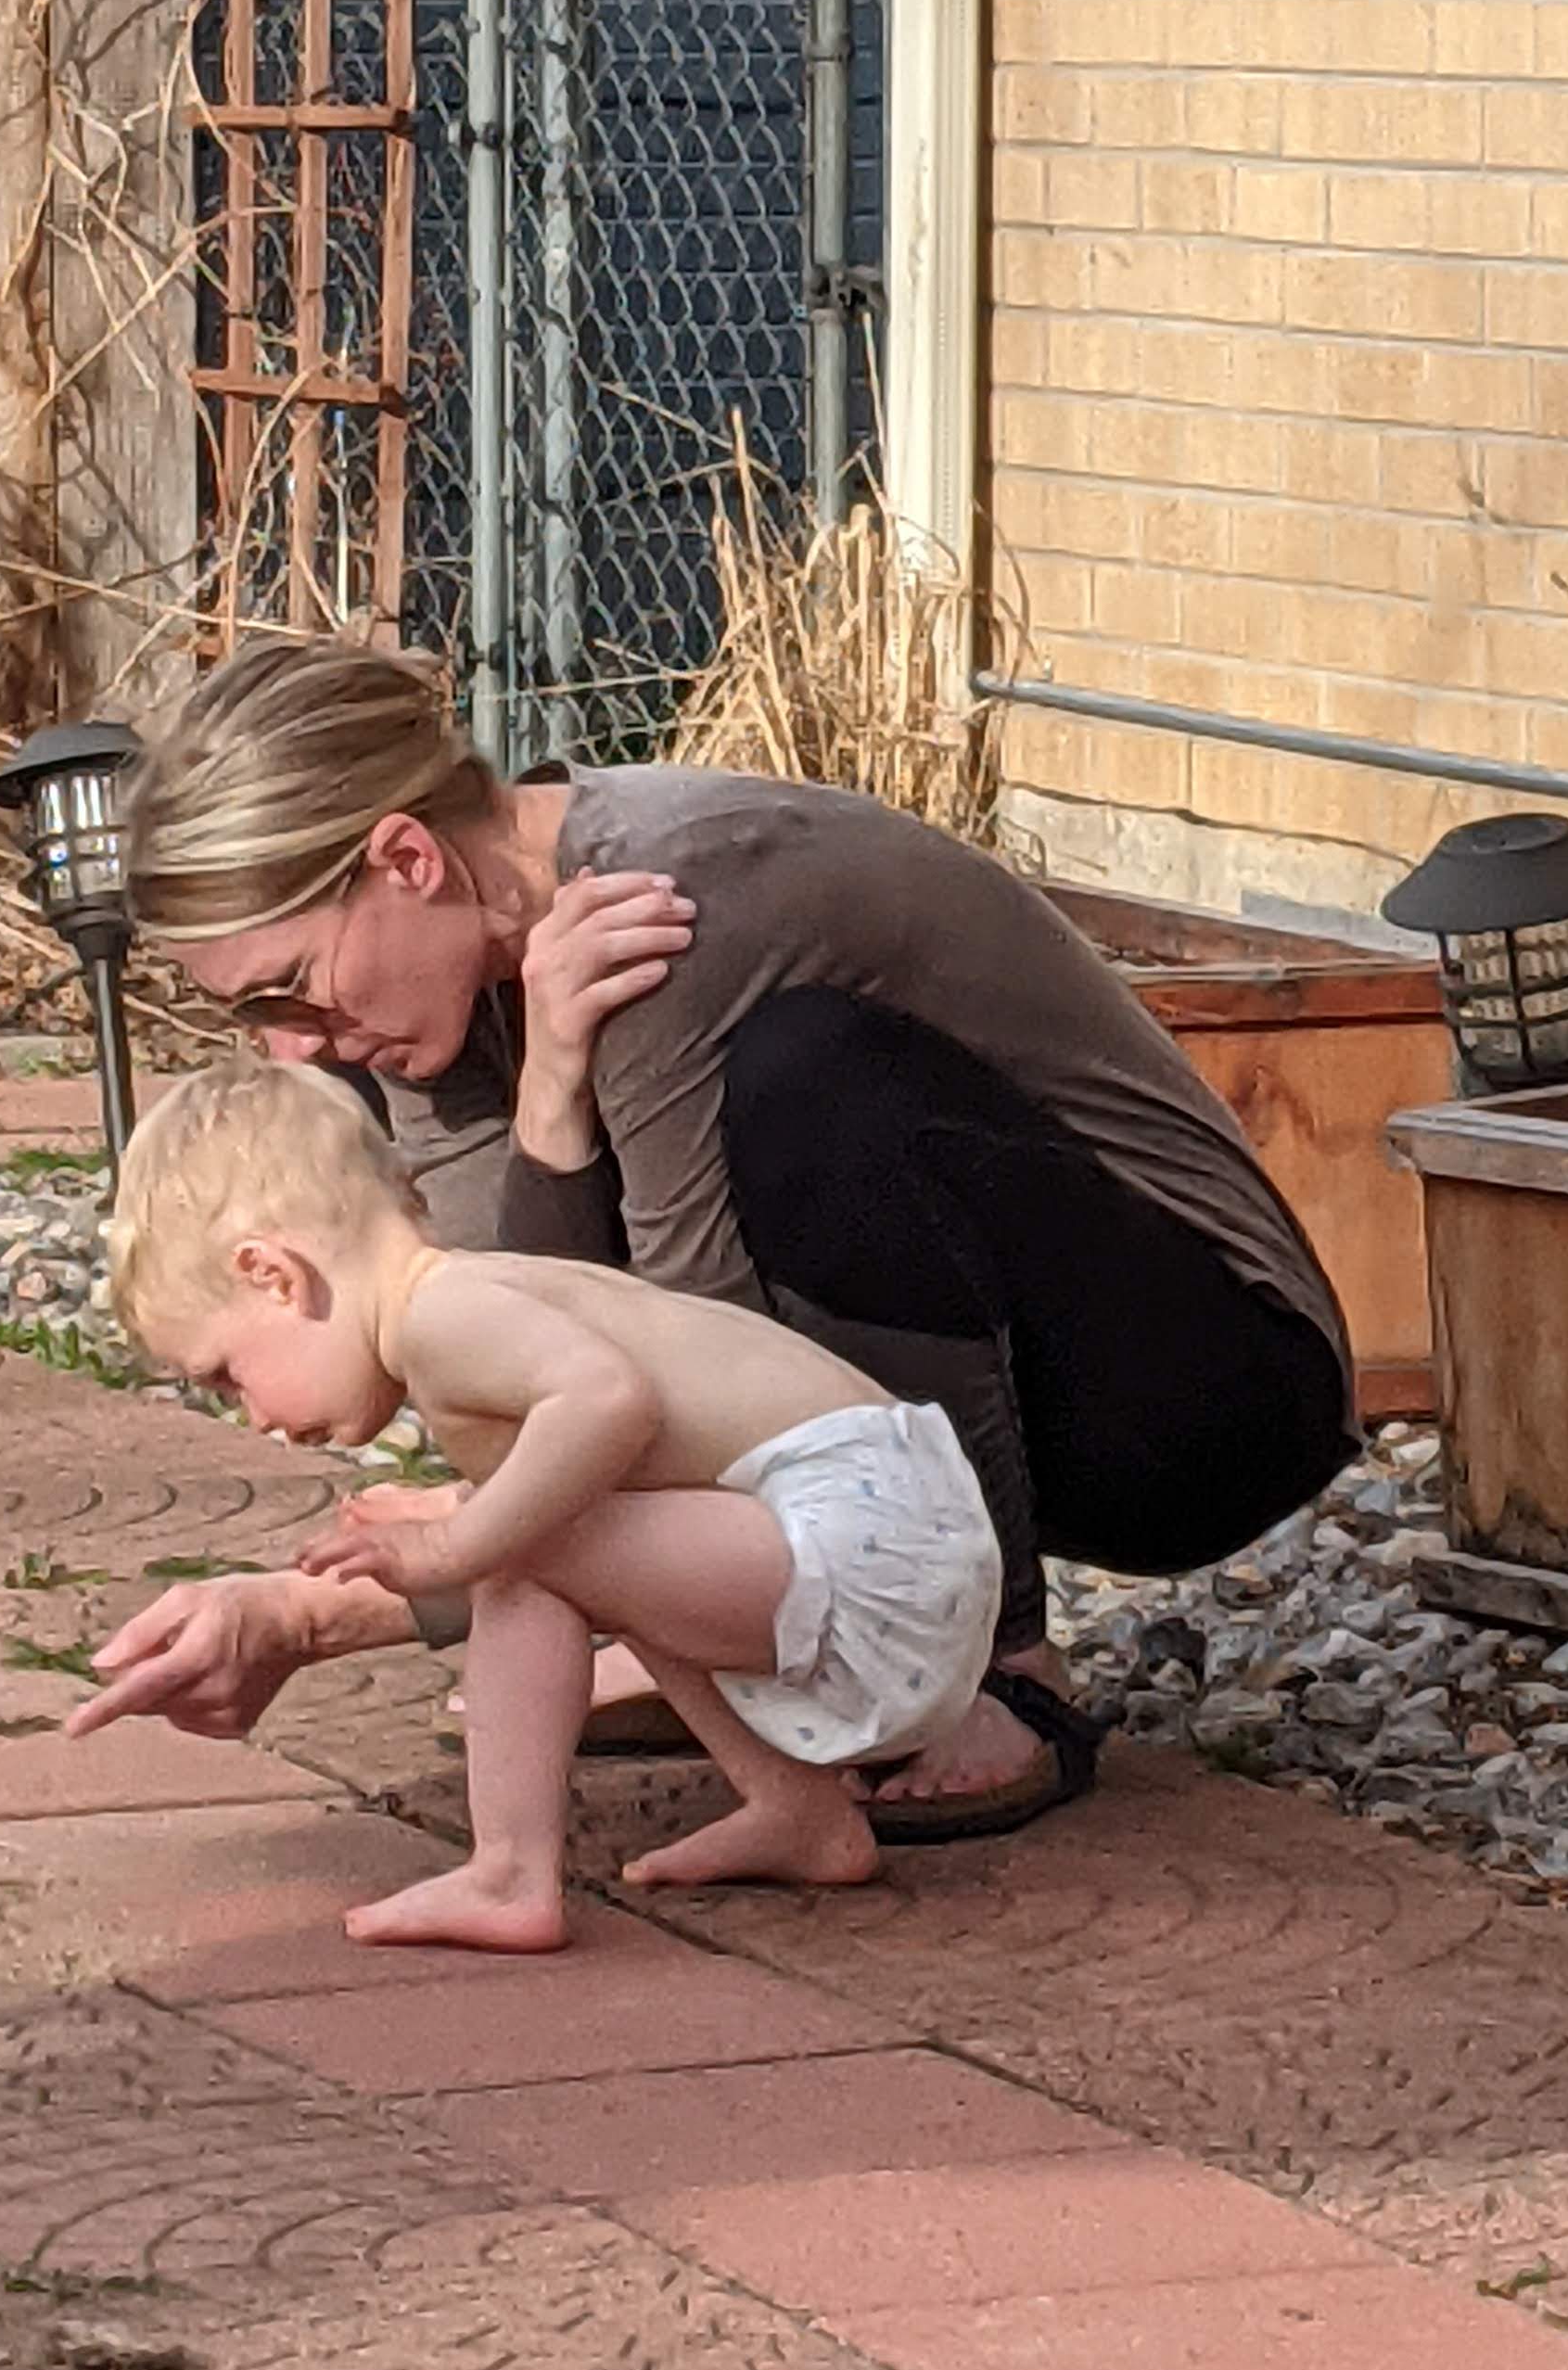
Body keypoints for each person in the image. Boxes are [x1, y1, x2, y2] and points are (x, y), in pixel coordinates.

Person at [71, 638, 1355, 1839]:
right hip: (956, 1428)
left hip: (1202, 1393)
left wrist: (414, 1584)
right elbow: (532, 1363)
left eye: (287, 989)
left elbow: (700, 1359)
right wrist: (549, 1100)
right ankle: (818, 1659)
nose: (294, 1042)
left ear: (405, 860)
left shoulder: (670, 897)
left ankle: (1006, 1669)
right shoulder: (429, 1000)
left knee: (807, 1082)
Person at [101, 1058, 1003, 1944]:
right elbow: (610, 1442)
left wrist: (459, 1545)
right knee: (575, 1537)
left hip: (867, 1546)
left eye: (226, 1376)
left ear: (273, 1275)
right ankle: (800, 1813)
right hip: (900, 1533)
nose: (253, 1414)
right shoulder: (479, 1295)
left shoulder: (442, 1320)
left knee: (528, 1553)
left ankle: (509, 1873)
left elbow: (608, 1400)